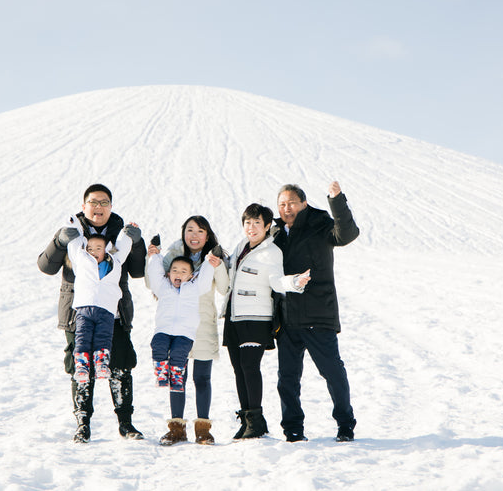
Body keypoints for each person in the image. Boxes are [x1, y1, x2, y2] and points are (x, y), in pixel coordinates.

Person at [37, 184, 147, 443]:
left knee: (119, 365)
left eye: (104, 202)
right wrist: (59, 241)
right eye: (93, 202)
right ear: (84, 205)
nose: (99, 207)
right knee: (81, 365)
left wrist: (138, 241)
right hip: (78, 313)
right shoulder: (71, 231)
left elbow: (138, 270)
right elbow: (45, 266)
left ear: (111, 206)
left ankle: (126, 423)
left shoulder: (120, 233)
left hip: (113, 311)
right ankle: (82, 423)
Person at [272, 181, 360, 443]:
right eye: (282, 204)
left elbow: (347, 234)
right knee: (287, 378)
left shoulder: (320, 223)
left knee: (332, 372)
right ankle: (293, 429)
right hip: (286, 318)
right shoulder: (274, 232)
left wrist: (337, 201)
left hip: (318, 315)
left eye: (291, 203)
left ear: (304, 203)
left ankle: (345, 424)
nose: (287, 208)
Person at [222, 203, 311, 440]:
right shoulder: (241, 246)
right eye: (248, 223)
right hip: (234, 317)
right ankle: (247, 420)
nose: (251, 228)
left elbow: (276, 281)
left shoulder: (271, 252)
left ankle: (257, 422)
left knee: (250, 368)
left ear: (267, 225)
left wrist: (294, 283)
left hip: (256, 318)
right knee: (239, 370)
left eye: (257, 223)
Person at [147, 216, 229, 445]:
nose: (194, 235)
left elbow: (224, 288)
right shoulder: (173, 256)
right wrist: (153, 258)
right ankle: (176, 428)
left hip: (202, 325)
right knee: (177, 375)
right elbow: (152, 282)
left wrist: (218, 263)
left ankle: (203, 429)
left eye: (200, 231)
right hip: (174, 327)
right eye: (190, 230)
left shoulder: (214, 255)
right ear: (183, 233)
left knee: (202, 378)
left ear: (207, 235)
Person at [65, 229, 134, 442]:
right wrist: (72, 226)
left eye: (99, 248)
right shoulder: (82, 259)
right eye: (90, 248)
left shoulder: (112, 260)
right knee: (82, 341)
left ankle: (125, 421)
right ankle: (82, 422)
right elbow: (73, 246)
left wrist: (128, 233)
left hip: (108, 311)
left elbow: (123, 249)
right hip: (82, 309)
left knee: (110, 347)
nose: (94, 252)